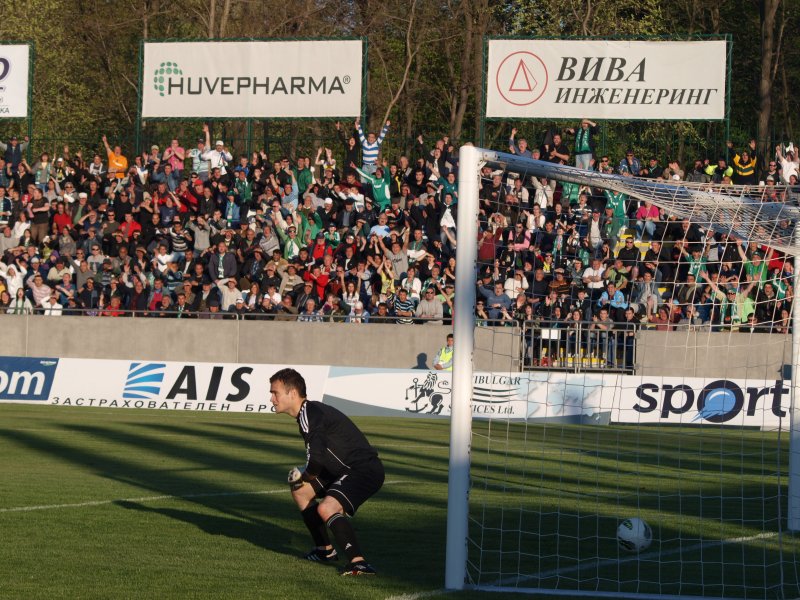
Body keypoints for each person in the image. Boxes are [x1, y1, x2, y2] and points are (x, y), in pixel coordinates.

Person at [270, 368, 384, 576]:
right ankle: (325, 550)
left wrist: (305, 475)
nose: (272, 398)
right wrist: (303, 479)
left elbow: (316, 461)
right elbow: (320, 457)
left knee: (326, 508)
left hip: (362, 468)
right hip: (340, 468)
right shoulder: (309, 412)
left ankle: (358, 563)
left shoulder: (309, 414)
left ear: (292, 393)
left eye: (275, 393)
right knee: (300, 492)